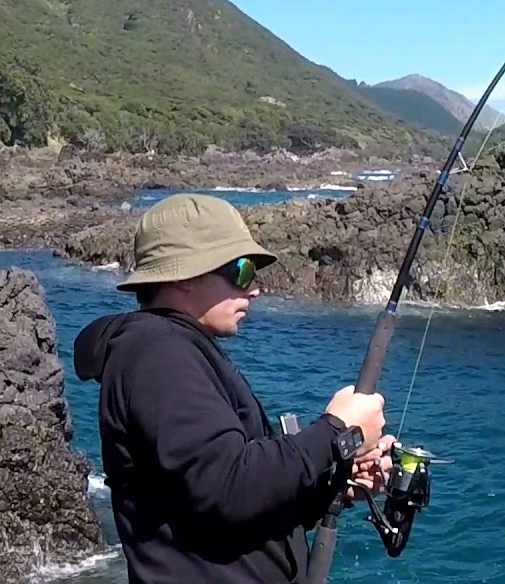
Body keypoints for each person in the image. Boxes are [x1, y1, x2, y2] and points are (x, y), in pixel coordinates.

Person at [72, 193, 393, 584]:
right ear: (181, 276)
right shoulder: (158, 354)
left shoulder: (177, 349)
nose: (253, 288)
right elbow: (228, 486)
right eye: (240, 270)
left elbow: (230, 504)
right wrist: (337, 430)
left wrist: (333, 483)